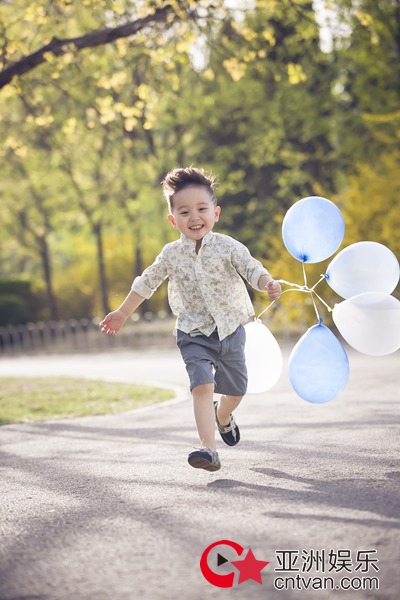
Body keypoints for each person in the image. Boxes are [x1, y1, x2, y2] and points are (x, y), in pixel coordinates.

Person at [100, 167, 281, 472]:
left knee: (236, 391)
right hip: (192, 331)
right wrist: (122, 313)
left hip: (229, 330)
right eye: (184, 211)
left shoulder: (228, 246)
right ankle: (207, 450)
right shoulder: (171, 254)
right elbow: (146, 282)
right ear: (173, 220)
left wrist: (267, 283)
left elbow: (252, 268)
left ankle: (222, 416)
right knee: (202, 385)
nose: (194, 216)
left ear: (216, 212)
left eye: (201, 209)